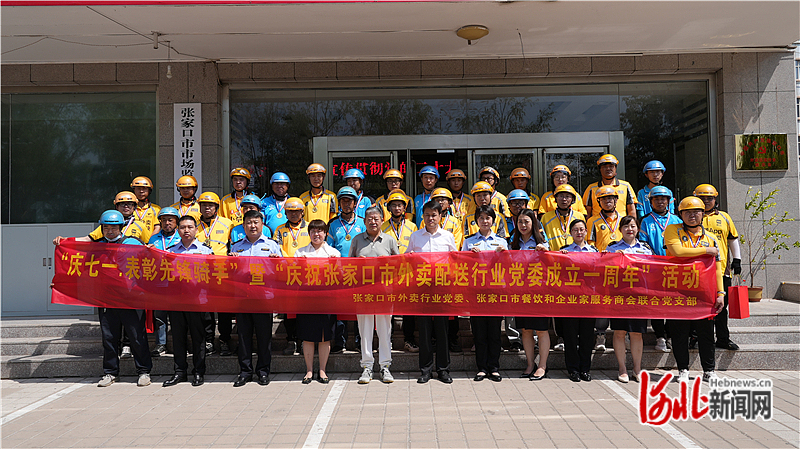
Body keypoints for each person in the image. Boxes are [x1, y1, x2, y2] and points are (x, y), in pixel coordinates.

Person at [54, 210, 153, 388]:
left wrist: (151, 250)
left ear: (121, 227)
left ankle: (144, 371)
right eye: (106, 228)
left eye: (113, 228)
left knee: (137, 336)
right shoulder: (97, 246)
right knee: (109, 337)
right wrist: (63, 242)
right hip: (107, 299)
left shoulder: (133, 243)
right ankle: (110, 372)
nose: (110, 231)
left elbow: (151, 260)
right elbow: (79, 262)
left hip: (131, 298)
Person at [664, 196, 725, 383]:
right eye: (687, 212)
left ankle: (709, 370)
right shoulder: (672, 230)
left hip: (704, 293)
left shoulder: (711, 238)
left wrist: (720, 293)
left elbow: (717, 269)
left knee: (706, 333)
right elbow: (678, 252)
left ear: (703, 214)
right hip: (678, 291)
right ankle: (682, 369)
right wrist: (706, 251)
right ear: (680, 214)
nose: (692, 215)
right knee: (679, 333)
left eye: (697, 212)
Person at [406, 201, 458, 384]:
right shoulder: (415, 236)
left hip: (442, 289)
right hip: (422, 289)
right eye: (427, 215)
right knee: (425, 330)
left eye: (434, 215)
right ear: (423, 216)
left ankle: (443, 370)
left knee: (442, 330)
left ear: (440, 216)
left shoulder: (448, 236)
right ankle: (425, 370)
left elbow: (455, 259)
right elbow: (408, 259)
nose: (430, 218)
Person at [229, 210, 281, 387]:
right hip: (243, 297)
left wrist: (276, 262)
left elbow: (281, 272)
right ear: (243, 226)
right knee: (243, 336)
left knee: (264, 337)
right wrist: (231, 261)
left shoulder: (272, 245)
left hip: (264, 298)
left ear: (262, 225)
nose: (252, 226)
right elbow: (230, 274)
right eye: (249, 223)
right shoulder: (236, 247)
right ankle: (245, 372)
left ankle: (263, 371)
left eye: (256, 222)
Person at [349, 206, 400, 384]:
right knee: (365, 331)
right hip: (363, 293)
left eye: (376, 218)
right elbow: (348, 265)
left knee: (385, 330)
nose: (373, 221)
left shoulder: (389, 240)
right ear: (364, 221)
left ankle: (385, 366)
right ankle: (367, 367)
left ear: (382, 220)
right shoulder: (357, 240)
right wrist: (357, 263)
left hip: (384, 293)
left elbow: (399, 265)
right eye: (369, 219)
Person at [163, 215, 213, 387]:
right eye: (183, 227)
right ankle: (180, 372)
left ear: (196, 230)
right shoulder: (171, 251)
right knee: (178, 338)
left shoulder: (205, 251)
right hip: (177, 301)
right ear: (178, 230)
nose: (186, 230)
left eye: (190, 227)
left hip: (197, 301)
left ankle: (199, 372)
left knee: (198, 338)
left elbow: (212, 276)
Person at [462, 205, 507, 382]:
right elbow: (461, 265)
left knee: (494, 332)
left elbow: (509, 266)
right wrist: (469, 256)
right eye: (481, 218)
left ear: (493, 221)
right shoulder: (469, 242)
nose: (484, 221)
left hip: (495, 292)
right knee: (479, 332)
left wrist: (504, 255)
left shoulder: (501, 241)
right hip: (476, 292)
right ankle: (481, 368)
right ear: (476, 221)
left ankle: (494, 368)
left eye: (488, 218)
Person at [606, 216, 653, 383]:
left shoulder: (645, 249)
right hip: (619, 295)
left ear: (638, 229)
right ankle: (622, 368)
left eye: (633, 226)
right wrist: (612, 258)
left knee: (636, 333)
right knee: (619, 332)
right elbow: (604, 269)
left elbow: (652, 270)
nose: (629, 229)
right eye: (626, 226)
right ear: (620, 230)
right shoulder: (612, 248)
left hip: (639, 296)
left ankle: (637, 369)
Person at [695, 184, 742, 351]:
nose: (706, 201)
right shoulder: (692, 217)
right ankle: (695, 337)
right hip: (698, 271)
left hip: (722, 270)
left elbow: (732, 239)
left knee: (722, 306)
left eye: (710, 198)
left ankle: (723, 338)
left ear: (716, 199)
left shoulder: (724, 217)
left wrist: (737, 259)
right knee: (698, 305)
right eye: (702, 198)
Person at [296, 219, 340, 384]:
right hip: (306, 299)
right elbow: (294, 275)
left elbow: (340, 276)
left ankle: (322, 370)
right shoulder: (300, 253)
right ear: (309, 234)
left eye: (320, 231)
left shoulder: (334, 253)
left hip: (327, 299)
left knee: (325, 336)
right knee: (307, 336)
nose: (316, 234)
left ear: (326, 233)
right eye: (313, 231)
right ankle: (309, 371)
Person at [639, 185, 681, 353]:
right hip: (654, 268)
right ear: (651, 202)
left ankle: (670, 334)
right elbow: (643, 243)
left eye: (663, 199)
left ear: (669, 201)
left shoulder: (677, 220)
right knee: (656, 303)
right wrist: (655, 259)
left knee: (672, 303)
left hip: (674, 268)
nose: (660, 202)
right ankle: (660, 336)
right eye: (656, 199)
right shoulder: (645, 221)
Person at [510, 209, 551, 380]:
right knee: (525, 330)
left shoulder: (542, 242)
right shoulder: (513, 243)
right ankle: (530, 364)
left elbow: (552, 265)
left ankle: (542, 366)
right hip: (520, 292)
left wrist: (545, 253)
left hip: (539, 292)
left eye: (526, 221)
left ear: (533, 223)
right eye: (520, 221)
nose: (523, 225)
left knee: (541, 330)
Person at [327, 186, 367, 354]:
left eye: (349, 201)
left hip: (358, 271)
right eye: (343, 201)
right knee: (340, 307)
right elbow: (329, 247)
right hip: (338, 271)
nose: (346, 204)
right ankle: (339, 341)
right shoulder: (333, 224)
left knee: (359, 306)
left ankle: (359, 341)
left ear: (355, 203)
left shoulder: (363, 222)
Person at [559, 218, 599, 382]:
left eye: (582, 229)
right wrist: (561, 258)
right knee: (570, 336)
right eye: (575, 230)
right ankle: (573, 369)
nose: (579, 232)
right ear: (570, 233)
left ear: (586, 232)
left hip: (589, 299)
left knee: (587, 336)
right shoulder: (564, 251)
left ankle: (585, 369)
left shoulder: (594, 250)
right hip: (570, 299)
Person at [380, 189, 419, 353]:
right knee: (387, 308)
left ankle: (409, 340)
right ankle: (386, 340)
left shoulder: (412, 226)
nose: (397, 208)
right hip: (388, 272)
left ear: (404, 208)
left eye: (400, 205)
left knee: (408, 307)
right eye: (394, 205)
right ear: (388, 208)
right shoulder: (383, 226)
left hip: (407, 272)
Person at [196, 191, 234, 356]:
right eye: (204, 205)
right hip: (202, 272)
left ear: (216, 207)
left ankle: (225, 340)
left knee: (224, 309)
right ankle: (209, 340)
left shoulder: (227, 224)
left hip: (222, 271)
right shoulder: (194, 225)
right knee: (206, 309)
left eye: (210, 205)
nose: (207, 208)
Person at [586, 185, 622, 350]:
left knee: (622, 302)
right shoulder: (592, 221)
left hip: (622, 268)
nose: (608, 201)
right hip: (601, 267)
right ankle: (600, 335)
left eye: (611, 198)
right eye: (604, 199)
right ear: (599, 202)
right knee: (602, 303)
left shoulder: (624, 219)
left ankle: (623, 334)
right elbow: (590, 245)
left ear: (616, 200)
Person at [273, 197, 310, 355]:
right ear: (285, 213)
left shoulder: (309, 227)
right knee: (290, 311)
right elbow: (278, 249)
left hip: (307, 274)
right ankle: (291, 340)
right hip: (288, 274)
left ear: (302, 212)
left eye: (297, 211)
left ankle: (304, 340)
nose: (293, 214)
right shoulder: (280, 230)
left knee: (305, 310)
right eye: (290, 212)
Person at [432, 187, 465, 352]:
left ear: (449, 203)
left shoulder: (455, 222)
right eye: (437, 199)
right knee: (432, 306)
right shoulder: (427, 221)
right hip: (431, 271)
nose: (440, 202)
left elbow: (456, 245)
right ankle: (434, 339)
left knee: (451, 307)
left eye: (443, 200)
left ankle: (452, 338)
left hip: (449, 269)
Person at [147, 206, 182, 357]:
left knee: (178, 317)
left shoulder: (182, 236)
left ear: (176, 222)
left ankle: (180, 344)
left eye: (170, 220)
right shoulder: (154, 239)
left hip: (177, 283)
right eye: (164, 220)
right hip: (159, 282)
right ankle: (161, 344)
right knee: (159, 316)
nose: (167, 223)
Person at [582, 154, 637, 218]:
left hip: (621, 223)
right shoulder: (591, 188)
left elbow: (631, 210)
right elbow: (587, 212)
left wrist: (632, 223)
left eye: (611, 166)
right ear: (600, 169)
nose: (608, 169)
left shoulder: (625, 186)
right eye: (605, 167)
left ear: (615, 168)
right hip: (598, 223)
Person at [85, 191, 151, 244]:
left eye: (129, 204)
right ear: (117, 206)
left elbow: (147, 245)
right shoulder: (107, 223)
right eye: (122, 204)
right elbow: (89, 239)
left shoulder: (140, 225)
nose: (126, 206)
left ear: (134, 207)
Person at [540, 184, 585, 251]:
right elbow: (541, 238)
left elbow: (584, 238)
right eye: (561, 196)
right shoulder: (546, 217)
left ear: (573, 199)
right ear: (556, 198)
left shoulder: (579, 216)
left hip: (574, 254)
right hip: (553, 255)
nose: (564, 199)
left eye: (567, 196)